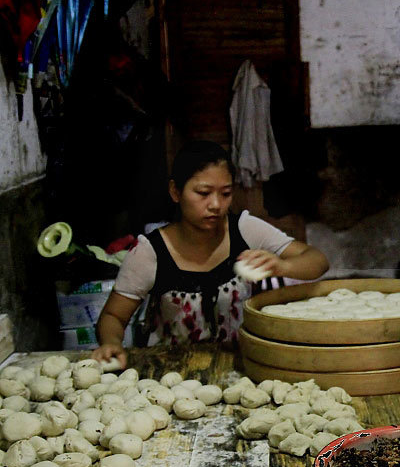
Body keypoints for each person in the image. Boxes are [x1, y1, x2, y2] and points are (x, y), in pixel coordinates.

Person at [92, 140, 329, 368]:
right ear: (176, 192)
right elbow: (113, 315)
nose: (215, 204)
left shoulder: (244, 229)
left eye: (225, 193)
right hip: (170, 373)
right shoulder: (150, 252)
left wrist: (282, 266)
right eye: (203, 193)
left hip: (241, 365)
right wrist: (111, 343)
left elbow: (318, 261)